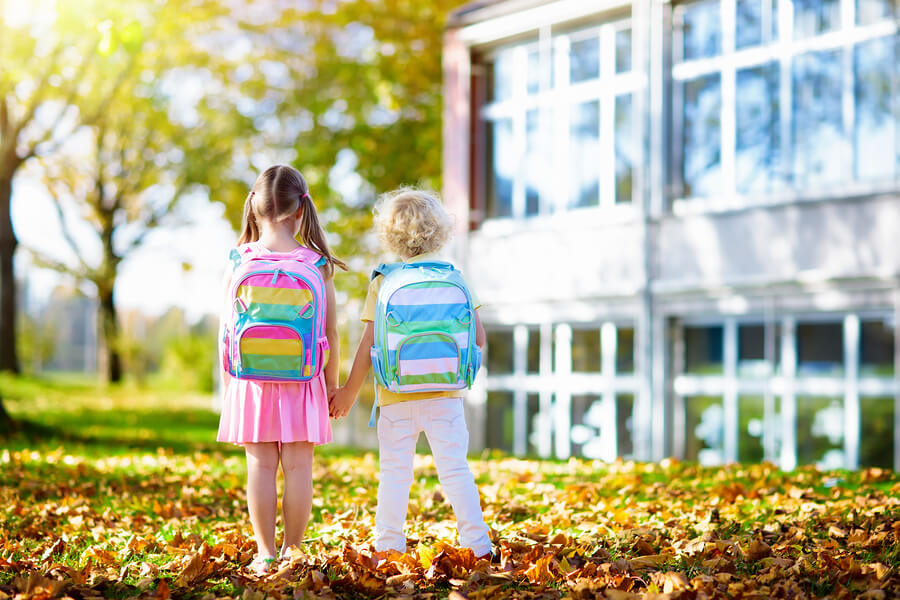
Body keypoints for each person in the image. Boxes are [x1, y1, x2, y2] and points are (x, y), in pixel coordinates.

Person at [329, 188, 494, 561]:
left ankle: (387, 548)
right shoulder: (456, 276)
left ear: (389, 234)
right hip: (445, 397)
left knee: (395, 475)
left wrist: (348, 394)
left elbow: (368, 346)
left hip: (396, 398)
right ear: (440, 230)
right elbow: (479, 338)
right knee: (455, 472)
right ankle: (479, 546)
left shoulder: (383, 280)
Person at [217, 164, 346, 575]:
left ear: (254, 208)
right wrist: (332, 385)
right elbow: (331, 332)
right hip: (303, 379)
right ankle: (293, 550)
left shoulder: (239, 259)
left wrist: (229, 388)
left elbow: (226, 333)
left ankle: (264, 551)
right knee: (298, 467)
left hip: (250, 381)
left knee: (260, 466)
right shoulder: (316, 263)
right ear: (299, 210)